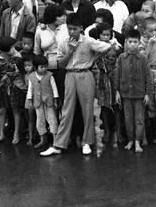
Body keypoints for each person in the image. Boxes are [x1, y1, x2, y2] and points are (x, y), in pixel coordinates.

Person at [40, 12, 120, 157]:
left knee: (87, 110)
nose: (72, 32)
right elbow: (61, 64)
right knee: (67, 110)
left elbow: (108, 47)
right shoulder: (64, 43)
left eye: (74, 29)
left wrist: (97, 56)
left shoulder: (88, 41)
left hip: (86, 74)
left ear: (81, 28)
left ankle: (87, 142)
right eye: (69, 28)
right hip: (70, 75)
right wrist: (70, 51)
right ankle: (59, 144)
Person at [114, 28, 153, 153]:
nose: (132, 44)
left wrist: (148, 93)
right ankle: (130, 139)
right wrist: (117, 92)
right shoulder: (121, 58)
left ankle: (138, 141)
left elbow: (148, 76)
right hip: (125, 94)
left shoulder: (143, 59)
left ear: (139, 42)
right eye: (130, 42)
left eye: (135, 42)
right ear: (126, 42)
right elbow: (117, 75)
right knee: (128, 118)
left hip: (139, 94)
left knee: (139, 119)